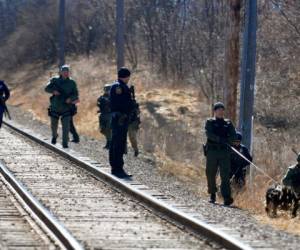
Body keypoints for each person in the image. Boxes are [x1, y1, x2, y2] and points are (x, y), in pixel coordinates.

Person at [204, 102, 237, 206]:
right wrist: (219, 139)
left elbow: (233, 135)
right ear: (214, 111)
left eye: (222, 110)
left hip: (224, 152)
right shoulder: (210, 122)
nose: (220, 112)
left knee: (225, 175)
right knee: (210, 173)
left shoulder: (228, 123)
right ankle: (212, 194)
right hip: (212, 151)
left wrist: (228, 140)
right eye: (218, 110)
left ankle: (226, 197)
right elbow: (209, 134)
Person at [45, 65, 79, 148]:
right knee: (54, 126)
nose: (65, 73)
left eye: (67, 72)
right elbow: (46, 88)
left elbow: (76, 95)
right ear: (60, 72)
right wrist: (53, 91)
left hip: (66, 107)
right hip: (55, 107)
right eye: (64, 72)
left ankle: (65, 143)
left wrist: (70, 99)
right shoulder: (54, 80)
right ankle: (54, 136)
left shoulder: (72, 82)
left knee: (66, 127)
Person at [109, 67, 134, 178]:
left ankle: (116, 167)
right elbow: (120, 103)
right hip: (120, 118)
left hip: (121, 119)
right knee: (118, 144)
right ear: (126, 76)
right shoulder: (118, 87)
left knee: (117, 143)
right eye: (128, 76)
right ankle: (117, 168)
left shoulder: (119, 86)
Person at [127, 86, 141, 157]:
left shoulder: (134, 103)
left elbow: (138, 112)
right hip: (123, 120)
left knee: (132, 137)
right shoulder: (121, 101)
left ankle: (136, 150)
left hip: (132, 122)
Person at [97, 84, 112, 149]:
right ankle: (109, 141)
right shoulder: (101, 97)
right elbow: (98, 104)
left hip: (110, 115)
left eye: (108, 90)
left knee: (108, 130)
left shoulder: (113, 97)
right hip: (103, 115)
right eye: (106, 90)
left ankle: (109, 143)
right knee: (102, 130)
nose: (107, 91)